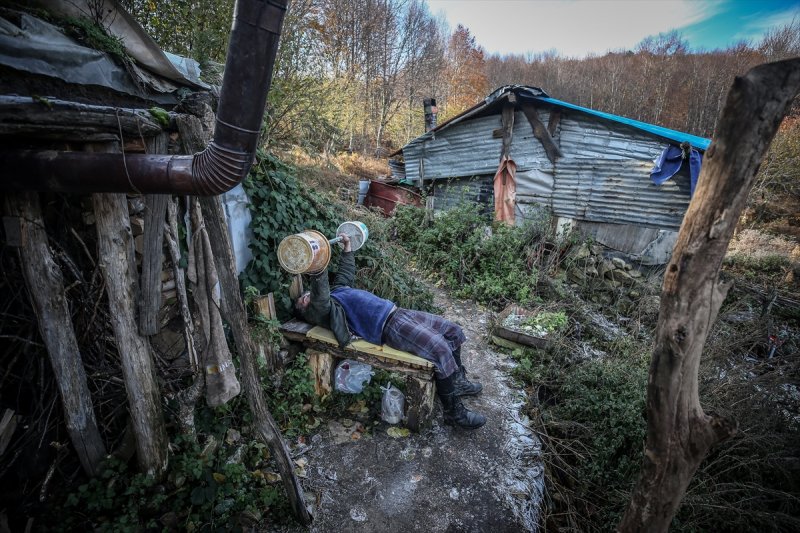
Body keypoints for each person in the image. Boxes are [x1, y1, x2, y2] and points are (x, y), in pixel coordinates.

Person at [294, 233, 486, 429]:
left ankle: (458, 382)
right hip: (389, 327)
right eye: (303, 299)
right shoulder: (321, 309)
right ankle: (455, 414)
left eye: (306, 294)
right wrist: (318, 264)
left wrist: (347, 246)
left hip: (399, 312)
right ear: (307, 310)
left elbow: (346, 272)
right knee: (441, 350)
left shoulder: (337, 291)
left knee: (453, 331)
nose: (305, 295)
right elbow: (320, 294)